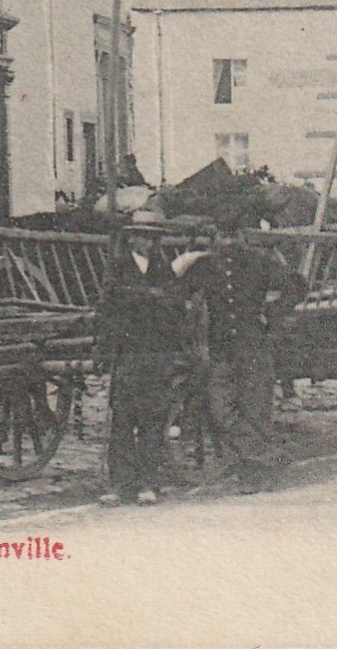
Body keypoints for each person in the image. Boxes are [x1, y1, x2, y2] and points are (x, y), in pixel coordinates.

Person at [182, 210, 310, 494]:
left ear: (242, 236)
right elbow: (179, 292)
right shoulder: (204, 266)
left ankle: (255, 472)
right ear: (214, 237)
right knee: (220, 409)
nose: (227, 242)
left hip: (254, 347)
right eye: (222, 236)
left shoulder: (259, 262)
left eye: (232, 236)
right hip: (221, 350)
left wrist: (272, 314)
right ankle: (267, 457)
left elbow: (297, 286)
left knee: (255, 409)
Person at [97, 211, 190, 506]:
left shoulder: (163, 268)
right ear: (132, 238)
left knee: (153, 416)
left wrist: (145, 298)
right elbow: (109, 305)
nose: (147, 242)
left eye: (153, 237)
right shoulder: (118, 266)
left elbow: (176, 304)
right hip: (129, 351)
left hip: (158, 351)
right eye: (142, 236)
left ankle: (149, 482)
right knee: (123, 417)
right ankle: (121, 483)